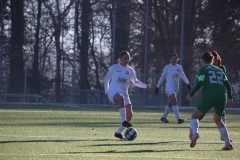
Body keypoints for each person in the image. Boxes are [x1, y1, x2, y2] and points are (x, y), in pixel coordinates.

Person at [186, 52, 233, 150]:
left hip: (209, 95)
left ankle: (195, 133)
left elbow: (201, 82)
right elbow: (227, 84)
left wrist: (191, 93)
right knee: (218, 120)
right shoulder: (219, 70)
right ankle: (228, 143)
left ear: (203, 60)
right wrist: (230, 97)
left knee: (195, 116)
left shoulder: (202, 69)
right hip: (221, 96)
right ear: (212, 60)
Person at [104, 50, 151, 140]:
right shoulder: (114, 67)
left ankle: (118, 133)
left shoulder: (130, 70)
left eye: (128, 59)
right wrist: (106, 90)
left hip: (124, 94)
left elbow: (136, 81)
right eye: (125, 58)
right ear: (120, 59)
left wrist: (145, 86)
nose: (126, 60)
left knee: (129, 115)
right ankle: (124, 121)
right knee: (120, 98)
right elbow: (106, 78)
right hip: (113, 92)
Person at [196, 51, 232, 142]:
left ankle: (223, 136)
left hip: (218, 93)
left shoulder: (221, 68)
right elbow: (200, 80)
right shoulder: (205, 68)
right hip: (209, 93)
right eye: (212, 58)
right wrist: (199, 91)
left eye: (215, 58)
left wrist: (228, 95)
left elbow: (225, 83)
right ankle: (195, 131)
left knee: (221, 115)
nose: (213, 60)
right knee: (201, 115)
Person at [155, 53, 191, 124]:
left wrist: (188, 84)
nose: (174, 60)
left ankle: (163, 117)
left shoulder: (179, 67)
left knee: (170, 103)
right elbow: (162, 77)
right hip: (169, 87)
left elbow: (183, 76)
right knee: (175, 101)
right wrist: (157, 87)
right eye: (172, 58)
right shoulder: (167, 67)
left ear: (177, 60)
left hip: (176, 88)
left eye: (175, 58)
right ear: (170, 59)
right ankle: (179, 119)